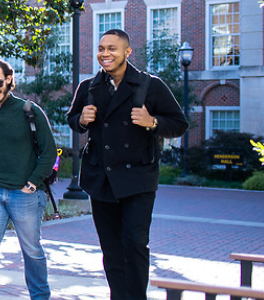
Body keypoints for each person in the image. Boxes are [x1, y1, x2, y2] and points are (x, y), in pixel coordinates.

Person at [66, 29, 188, 300]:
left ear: (127, 52)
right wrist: (81, 120)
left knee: (134, 244)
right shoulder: (88, 87)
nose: (105, 54)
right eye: (101, 49)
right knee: (111, 249)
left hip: (138, 180)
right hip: (101, 179)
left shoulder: (149, 85)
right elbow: (72, 118)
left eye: (112, 48)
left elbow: (180, 124)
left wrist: (153, 122)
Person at [0, 58, 56, 300]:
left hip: (24, 194)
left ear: (8, 79)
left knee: (32, 251)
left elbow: (49, 152)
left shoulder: (30, 111)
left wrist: (33, 182)